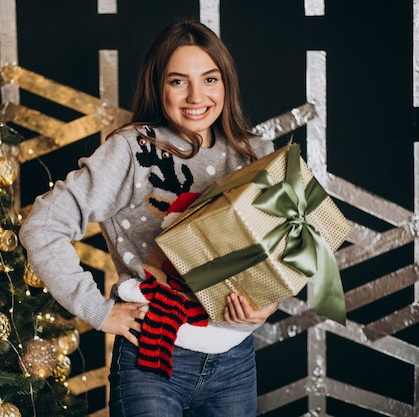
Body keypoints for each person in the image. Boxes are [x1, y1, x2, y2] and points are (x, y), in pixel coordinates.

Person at [19, 20, 279, 417]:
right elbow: (42, 225)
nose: (197, 95)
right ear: (158, 86)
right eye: (178, 81)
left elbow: (285, 245)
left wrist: (268, 303)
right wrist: (97, 311)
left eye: (210, 79)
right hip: (152, 358)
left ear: (226, 83)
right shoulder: (131, 151)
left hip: (234, 362)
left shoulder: (254, 153)